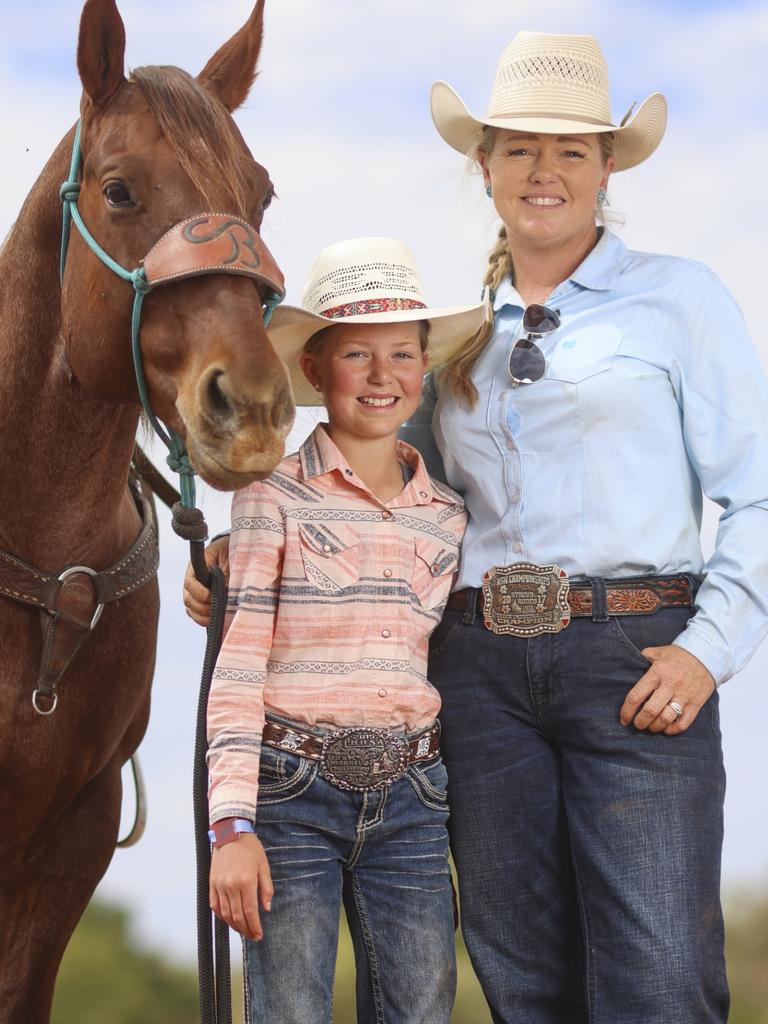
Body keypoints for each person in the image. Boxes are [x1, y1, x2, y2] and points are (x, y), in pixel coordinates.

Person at [404, 29, 768, 1024]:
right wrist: (245, 563)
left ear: (608, 166)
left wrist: (708, 650)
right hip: (476, 677)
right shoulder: (452, 338)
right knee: (523, 981)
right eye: (520, 147)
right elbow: (394, 502)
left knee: (658, 981)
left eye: (570, 149)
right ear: (484, 168)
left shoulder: (679, 300)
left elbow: (760, 488)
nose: (544, 170)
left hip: (635, 662)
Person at [195, 236, 486, 1024]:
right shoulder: (270, 497)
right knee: (289, 1008)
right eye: (358, 353)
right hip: (292, 789)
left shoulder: (448, 517)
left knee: (421, 1008)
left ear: (424, 366)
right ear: (317, 372)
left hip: (415, 797)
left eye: (401, 353)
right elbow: (240, 662)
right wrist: (232, 825)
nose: (383, 375)